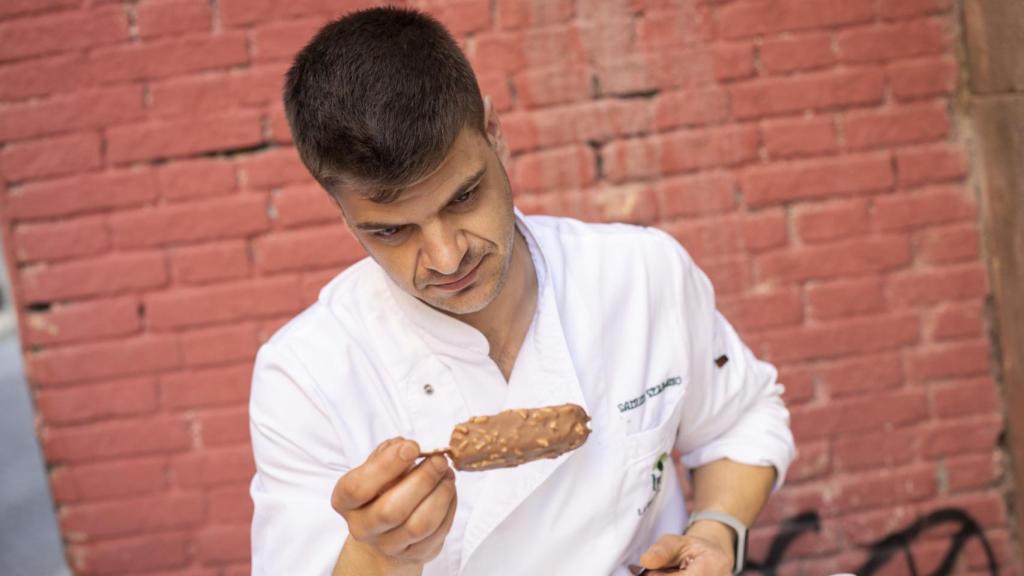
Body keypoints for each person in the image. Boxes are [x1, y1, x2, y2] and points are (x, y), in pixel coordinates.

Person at [249, 7, 795, 576]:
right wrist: (376, 557)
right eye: (391, 230)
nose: (447, 257)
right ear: (342, 213)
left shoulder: (639, 273)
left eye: (463, 197)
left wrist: (716, 533)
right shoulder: (304, 377)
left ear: (494, 135)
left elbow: (742, 418)